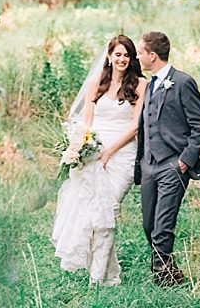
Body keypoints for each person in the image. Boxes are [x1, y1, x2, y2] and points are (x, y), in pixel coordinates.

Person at [51, 33, 143, 286]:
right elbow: (87, 122)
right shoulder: (96, 83)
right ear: (109, 57)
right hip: (94, 153)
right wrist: (80, 149)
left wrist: (110, 151)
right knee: (93, 213)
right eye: (118, 54)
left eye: (126, 55)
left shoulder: (140, 85)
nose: (122, 59)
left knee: (108, 210)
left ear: (131, 58)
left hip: (122, 155)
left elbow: (136, 125)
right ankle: (106, 274)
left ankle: (98, 277)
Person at [134, 30, 200, 287]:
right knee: (149, 225)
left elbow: (199, 126)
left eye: (140, 52)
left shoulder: (183, 82)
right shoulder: (150, 84)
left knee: (162, 226)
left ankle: (163, 279)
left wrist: (185, 160)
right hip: (148, 164)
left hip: (173, 165)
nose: (137, 56)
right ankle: (171, 271)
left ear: (152, 55)